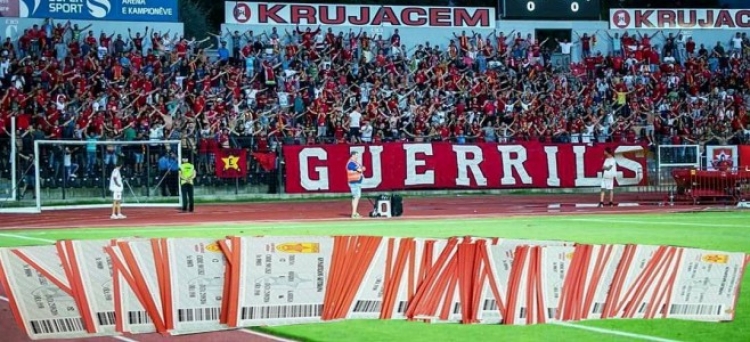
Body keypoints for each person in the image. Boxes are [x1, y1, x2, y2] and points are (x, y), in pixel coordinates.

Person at [346, 151, 365, 218]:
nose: (357, 157)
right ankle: (354, 213)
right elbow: (360, 170)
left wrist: (361, 169)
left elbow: (362, 168)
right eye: (356, 155)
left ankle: (355, 212)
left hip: (356, 182)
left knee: (356, 197)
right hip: (354, 182)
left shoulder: (355, 163)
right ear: (353, 155)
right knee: (356, 197)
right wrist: (361, 169)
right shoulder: (351, 163)